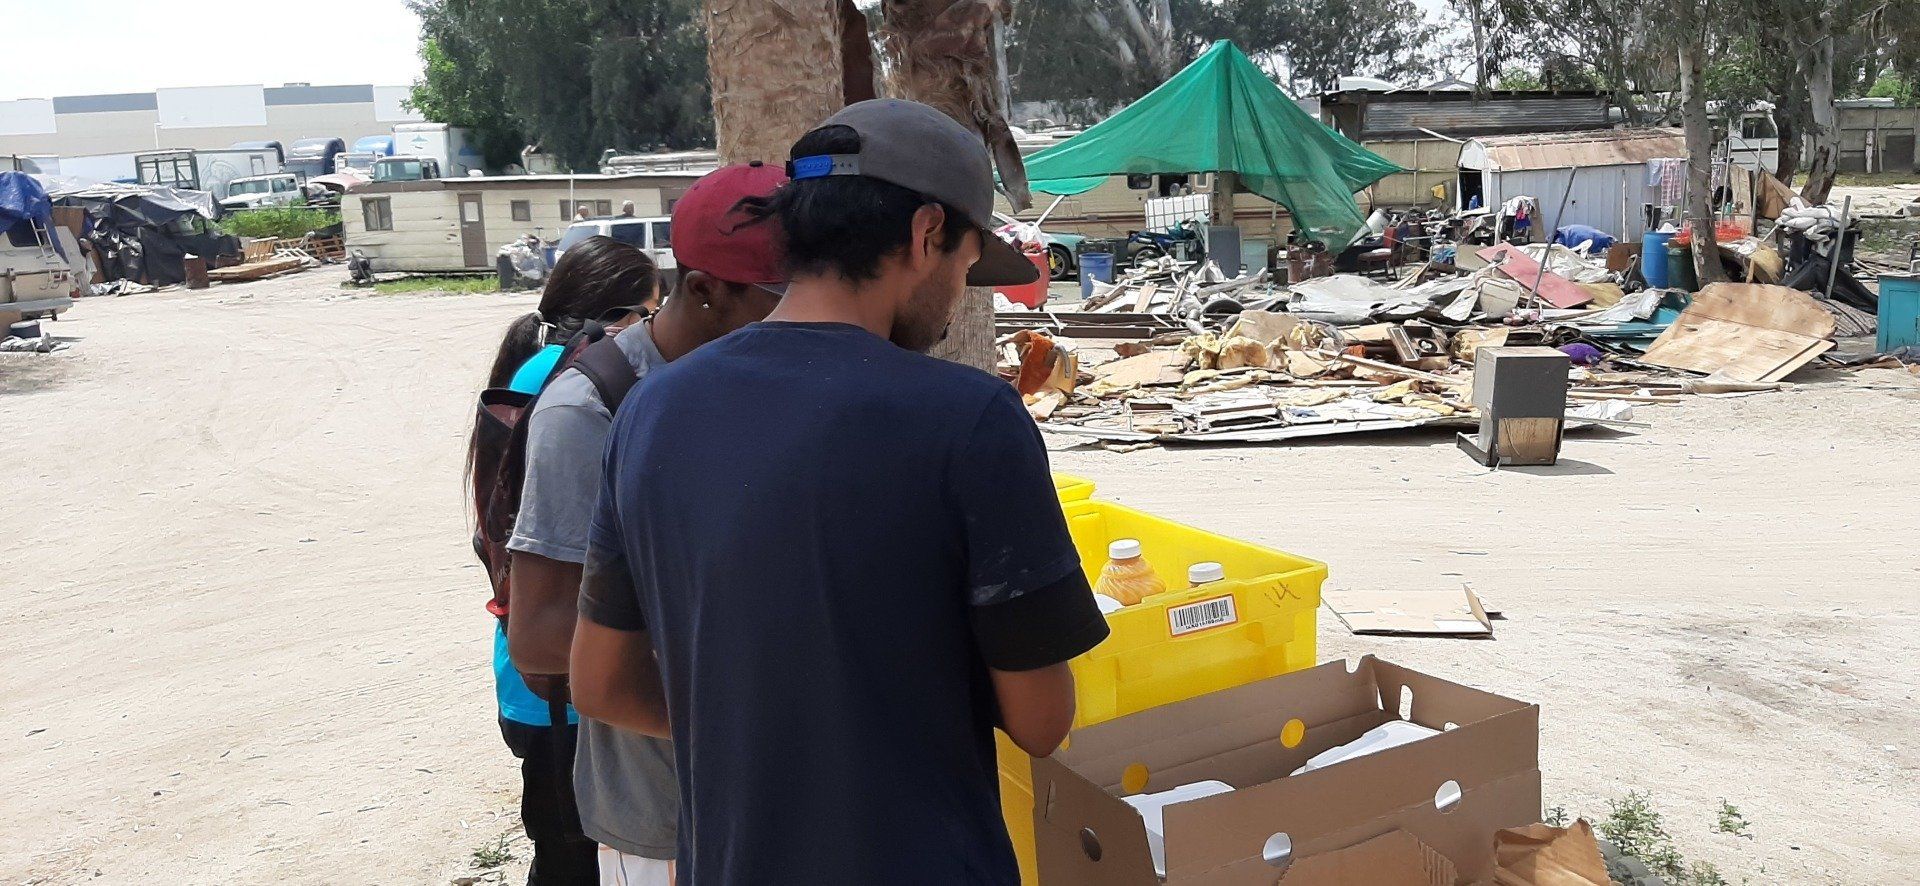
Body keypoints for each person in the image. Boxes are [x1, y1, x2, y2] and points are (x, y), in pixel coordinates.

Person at [569, 99, 1110, 884]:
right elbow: (1042, 719)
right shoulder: (968, 419)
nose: (956, 298)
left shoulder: (651, 409)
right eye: (964, 268)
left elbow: (601, 684)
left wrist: (764, 728)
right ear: (926, 233)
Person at [506, 163, 789, 886]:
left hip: (789, 794)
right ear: (704, 291)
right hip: (669, 815)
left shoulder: (768, 381)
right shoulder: (590, 409)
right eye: (781, 300)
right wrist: (758, 695)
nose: (805, 320)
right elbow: (540, 635)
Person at [468, 235, 663, 886]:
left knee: (563, 858)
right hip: (579, 691)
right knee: (579, 864)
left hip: (532, 684)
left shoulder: (532, 371)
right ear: (621, 315)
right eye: (650, 313)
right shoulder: (587, 384)